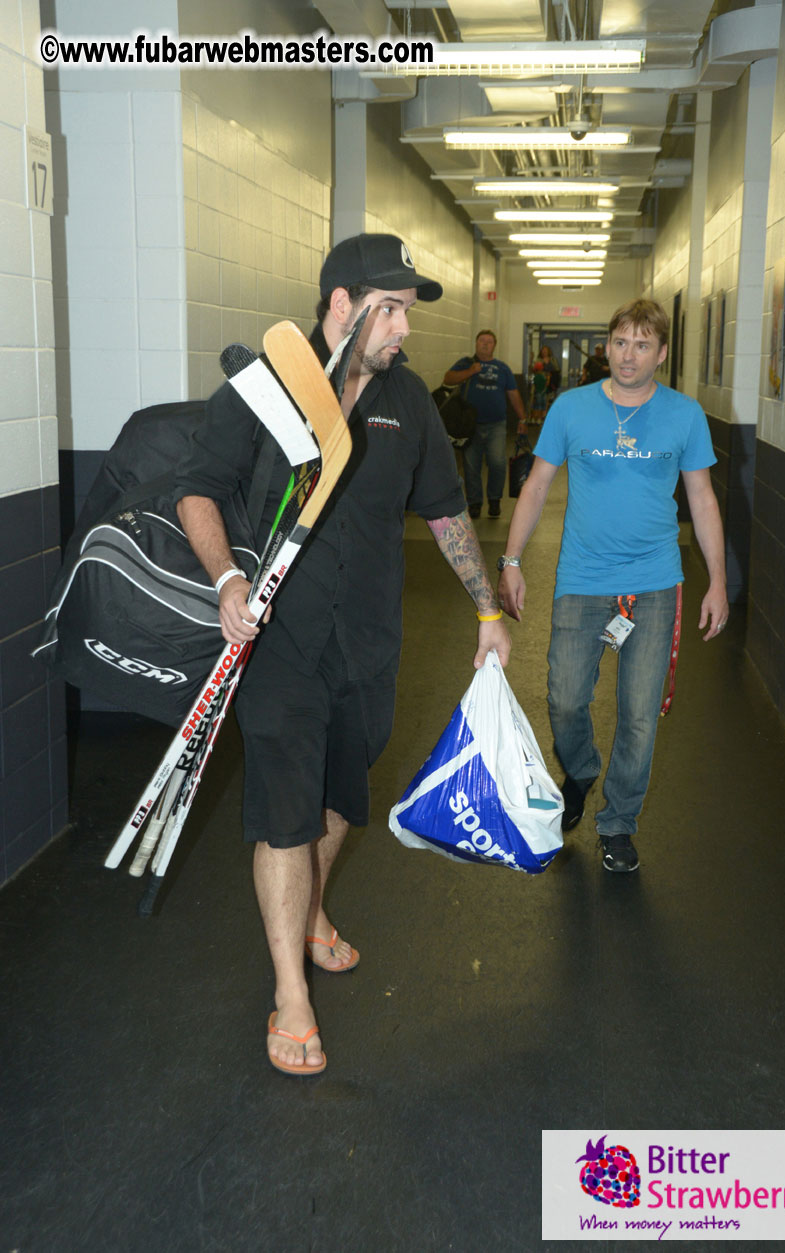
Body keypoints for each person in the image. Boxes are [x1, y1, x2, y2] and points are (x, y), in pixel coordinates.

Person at [174, 233, 511, 1075]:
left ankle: (314, 908)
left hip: (368, 644)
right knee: (285, 812)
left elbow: (442, 510)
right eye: (390, 308)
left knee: (334, 805)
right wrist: (225, 581)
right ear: (340, 305)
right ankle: (289, 991)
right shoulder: (263, 388)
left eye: (404, 310)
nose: (403, 327)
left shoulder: (409, 402)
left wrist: (486, 606)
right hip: (278, 642)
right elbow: (196, 488)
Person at [497, 298, 728, 873]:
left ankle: (618, 823)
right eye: (620, 343)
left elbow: (701, 498)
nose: (628, 356)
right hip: (582, 579)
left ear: (662, 353)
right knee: (565, 697)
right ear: (608, 346)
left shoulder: (685, 415)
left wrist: (718, 580)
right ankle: (579, 771)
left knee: (640, 714)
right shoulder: (572, 408)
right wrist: (511, 559)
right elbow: (536, 485)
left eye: (642, 345)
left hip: (654, 584)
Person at [443, 330, 528, 519]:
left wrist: (522, 419)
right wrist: (470, 372)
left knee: (497, 463)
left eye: (489, 342)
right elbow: (448, 379)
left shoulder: (502, 368)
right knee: (471, 466)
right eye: (482, 341)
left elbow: (513, 394)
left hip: (496, 424)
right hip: (470, 425)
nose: (485, 344)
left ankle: (494, 500)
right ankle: (474, 503)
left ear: (494, 346)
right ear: (476, 343)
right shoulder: (466, 363)